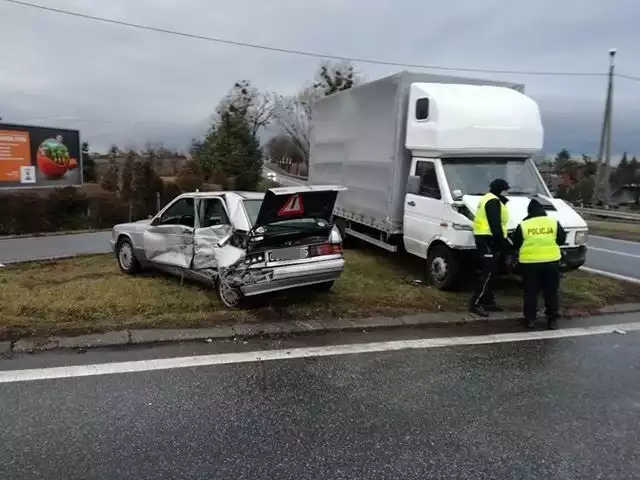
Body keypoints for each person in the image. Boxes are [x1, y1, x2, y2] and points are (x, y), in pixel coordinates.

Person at [511, 198, 567, 330]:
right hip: (551, 262)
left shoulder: (524, 225)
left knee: (530, 292)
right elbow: (561, 239)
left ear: (529, 212)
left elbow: (516, 243)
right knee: (551, 292)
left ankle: (530, 319)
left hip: (530, 264)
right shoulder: (553, 222)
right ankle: (552, 319)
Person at [469, 178, 511, 317]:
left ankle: (488, 301)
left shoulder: (489, 198)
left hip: (487, 239)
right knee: (488, 273)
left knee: (492, 272)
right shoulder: (493, 201)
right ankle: (476, 303)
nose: (507, 194)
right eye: (506, 190)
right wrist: (502, 243)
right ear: (501, 190)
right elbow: (495, 225)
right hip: (488, 240)